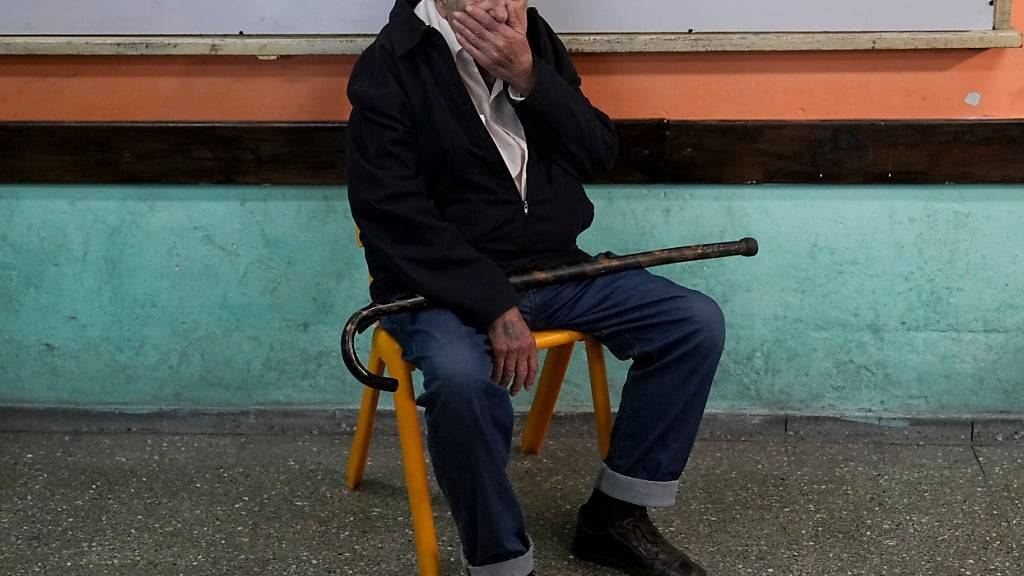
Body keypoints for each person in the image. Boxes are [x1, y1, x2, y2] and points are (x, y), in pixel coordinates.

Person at [347, 1, 725, 575]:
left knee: (691, 323)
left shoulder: (532, 39)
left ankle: (615, 518)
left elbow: (597, 154)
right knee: (462, 379)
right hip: (438, 288)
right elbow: (391, 214)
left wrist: (530, 79)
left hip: (555, 267)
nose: (503, 5)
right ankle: (500, 560)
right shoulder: (389, 66)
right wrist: (492, 303)